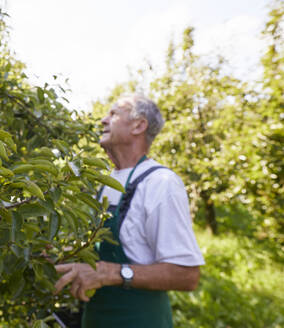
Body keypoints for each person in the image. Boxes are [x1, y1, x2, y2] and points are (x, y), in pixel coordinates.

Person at [54, 94, 205, 327]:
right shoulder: (108, 183)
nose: (103, 120)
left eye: (113, 114)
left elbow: (187, 275)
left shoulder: (160, 183)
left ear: (139, 125)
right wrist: (60, 254)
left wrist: (108, 273)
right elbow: (105, 250)